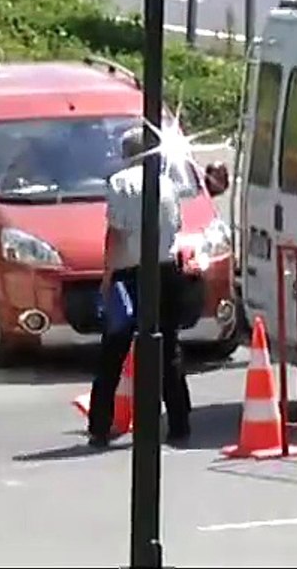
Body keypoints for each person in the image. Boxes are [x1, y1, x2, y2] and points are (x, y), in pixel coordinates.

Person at [87, 125, 192, 448]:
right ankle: (178, 423)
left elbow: (115, 234)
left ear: (126, 154)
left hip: (129, 274)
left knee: (113, 352)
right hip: (166, 271)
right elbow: (177, 226)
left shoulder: (119, 184)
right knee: (168, 347)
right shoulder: (168, 185)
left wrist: (107, 276)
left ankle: (100, 427)